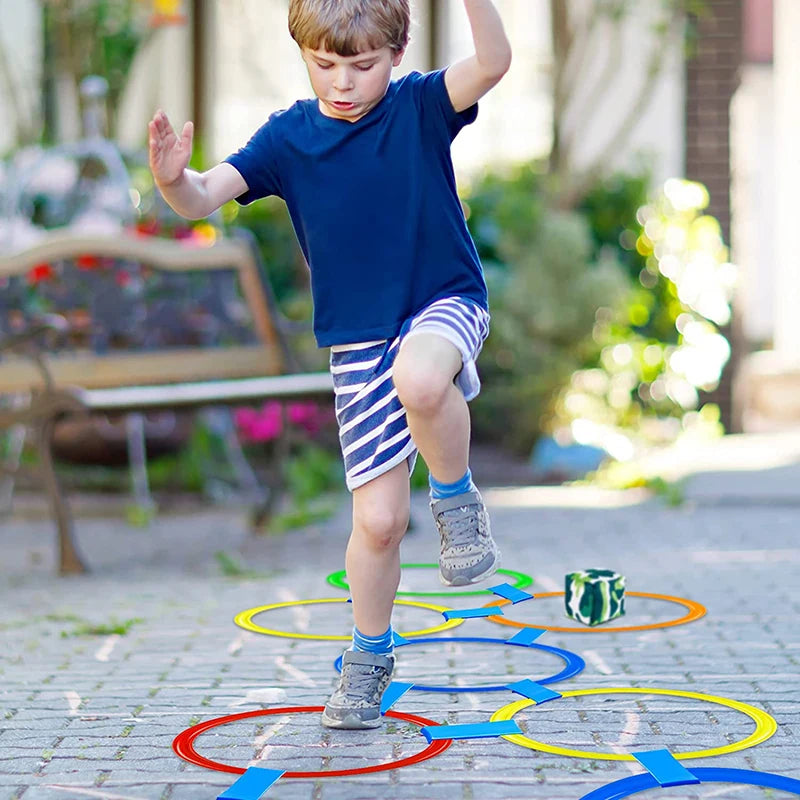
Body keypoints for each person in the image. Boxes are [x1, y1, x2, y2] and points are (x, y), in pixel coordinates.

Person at [148, 0, 511, 730]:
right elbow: (202, 198)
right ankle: (369, 655)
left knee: (421, 378)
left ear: (396, 55)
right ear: (306, 55)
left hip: (443, 302)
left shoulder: (418, 107)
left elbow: (494, 64)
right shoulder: (288, 138)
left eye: (362, 64)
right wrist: (170, 180)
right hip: (358, 342)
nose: (343, 81)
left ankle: (456, 500)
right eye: (326, 64)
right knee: (376, 523)